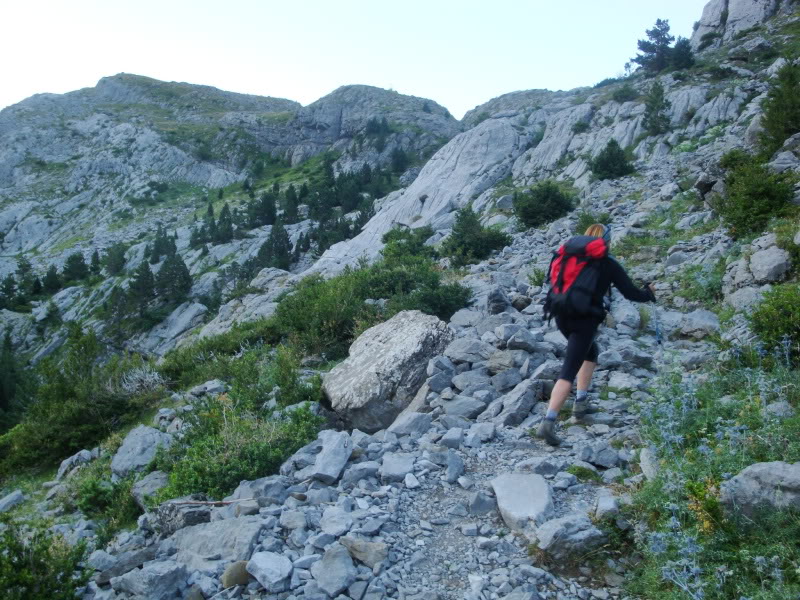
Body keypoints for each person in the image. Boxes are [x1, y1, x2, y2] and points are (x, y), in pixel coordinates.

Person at [535, 223, 656, 446]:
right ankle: (548, 423)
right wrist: (648, 294)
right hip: (585, 319)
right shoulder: (607, 264)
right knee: (569, 369)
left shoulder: (565, 257)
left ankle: (581, 403)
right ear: (605, 242)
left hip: (561, 314)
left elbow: (550, 282)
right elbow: (630, 293)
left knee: (591, 352)